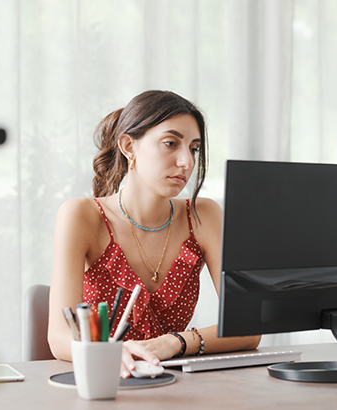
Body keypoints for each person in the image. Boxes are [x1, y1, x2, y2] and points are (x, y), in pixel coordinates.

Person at [48, 90, 260, 378]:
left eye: (194, 148)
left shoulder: (204, 216)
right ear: (128, 146)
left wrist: (173, 343)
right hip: (104, 382)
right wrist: (108, 351)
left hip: (174, 386)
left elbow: (247, 327)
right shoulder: (82, 216)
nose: (186, 162)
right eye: (170, 143)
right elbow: (59, 337)